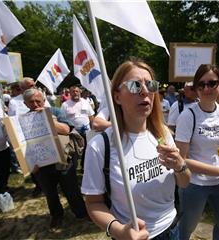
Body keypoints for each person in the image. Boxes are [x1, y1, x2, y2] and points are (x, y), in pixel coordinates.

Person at [81, 59, 191, 239]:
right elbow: (93, 203)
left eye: (151, 85)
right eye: (135, 85)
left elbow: (184, 182)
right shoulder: (100, 146)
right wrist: (119, 231)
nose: (145, 91)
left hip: (173, 229)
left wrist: (180, 166)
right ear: (116, 96)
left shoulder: (162, 133)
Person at [175, 64, 219, 240]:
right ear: (196, 88)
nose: (206, 89)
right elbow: (182, 160)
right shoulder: (188, 116)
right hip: (194, 184)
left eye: (212, 83)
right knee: (186, 228)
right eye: (201, 84)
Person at [23, 88, 87, 230]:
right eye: (31, 102)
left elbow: (66, 130)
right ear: (25, 104)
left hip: (63, 160)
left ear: (44, 101)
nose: (35, 104)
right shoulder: (23, 120)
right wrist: (31, 163)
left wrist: (47, 119)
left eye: (38, 101)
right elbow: (23, 144)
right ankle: (57, 216)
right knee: (50, 193)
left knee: (71, 189)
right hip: (42, 164)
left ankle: (81, 212)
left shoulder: (56, 112)